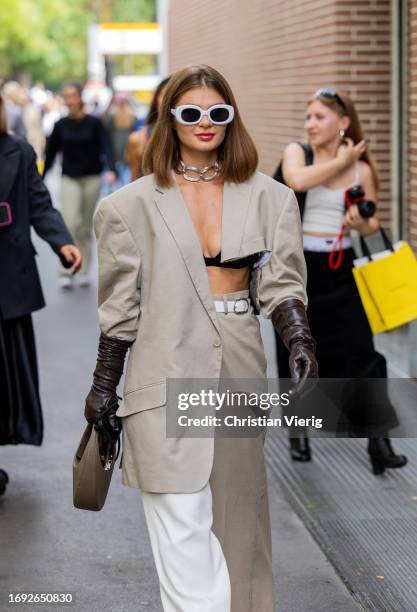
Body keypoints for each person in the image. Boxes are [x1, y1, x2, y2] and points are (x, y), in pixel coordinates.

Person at [84, 64, 318, 612]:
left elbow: (281, 283)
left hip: (238, 362)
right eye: (191, 113)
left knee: (239, 518)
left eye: (218, 112)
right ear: (171, 120)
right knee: (181, 518)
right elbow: (119, 311)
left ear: (232, 118)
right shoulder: (127, 208)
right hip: (162, 369)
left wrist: (298, 337)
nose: (205, 123)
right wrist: (102, 388)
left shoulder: (271, 198)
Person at [274, 88, 407, 475]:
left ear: (343, 123)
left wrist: (360, 223)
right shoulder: (299, 153)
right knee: (297, 351)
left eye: (320, 117)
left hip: (344, 266)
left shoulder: (361, 169)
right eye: (308, 117)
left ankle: (379, 440)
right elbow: (296, 181)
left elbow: (372, 222)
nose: (310, 124)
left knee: (362, 352)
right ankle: (300, 428)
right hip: (297, 268)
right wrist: (343, 159)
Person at [0, 93, 81, 488]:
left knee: (6, 374)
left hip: (8, 278)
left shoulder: (17, 150)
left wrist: (61, 240)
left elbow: (40, 204)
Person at [42, 81, 116, 289]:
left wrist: (111, 168)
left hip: (92, 177)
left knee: (85, 226)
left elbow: (106, 146)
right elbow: (50, 154)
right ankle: (66, 268)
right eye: (66, 96)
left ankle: (83, 269)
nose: (70, 100)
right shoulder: (60, 125)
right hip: (69, 178)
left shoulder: (94, 122)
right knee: (70, 222)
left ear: (80, 97)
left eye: (73, 95)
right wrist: (39, 178)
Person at [126, 77, 170, 181]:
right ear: (156, 100)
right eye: (165, 95)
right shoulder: (138, 139)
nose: (169, 100)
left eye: (175, 96)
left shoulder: (192, 138)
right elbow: (134, 181)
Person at [103, 92, 136, 188]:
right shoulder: (112, 114)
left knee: (124, 176)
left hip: (126, 148)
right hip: (115, 148)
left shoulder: (130, 114)